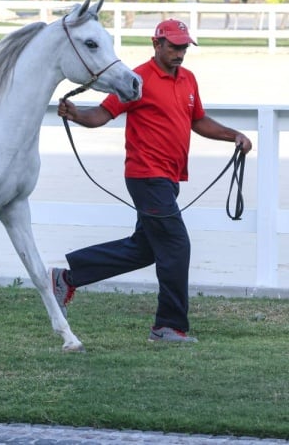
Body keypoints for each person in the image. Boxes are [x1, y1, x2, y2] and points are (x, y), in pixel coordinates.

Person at [50, 19, 252, 343]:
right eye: (173, 46)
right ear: (156, 44)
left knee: (144, 249)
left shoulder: (188, 80)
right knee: (176, 245)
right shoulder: (138, 79)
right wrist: (76, 115)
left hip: (169, 179)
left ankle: (67, 277)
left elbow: (197, 120)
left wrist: (235, 136)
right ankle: (167, 326)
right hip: (146, 176)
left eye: (184, 46)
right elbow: (103, 114)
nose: (180, 53)